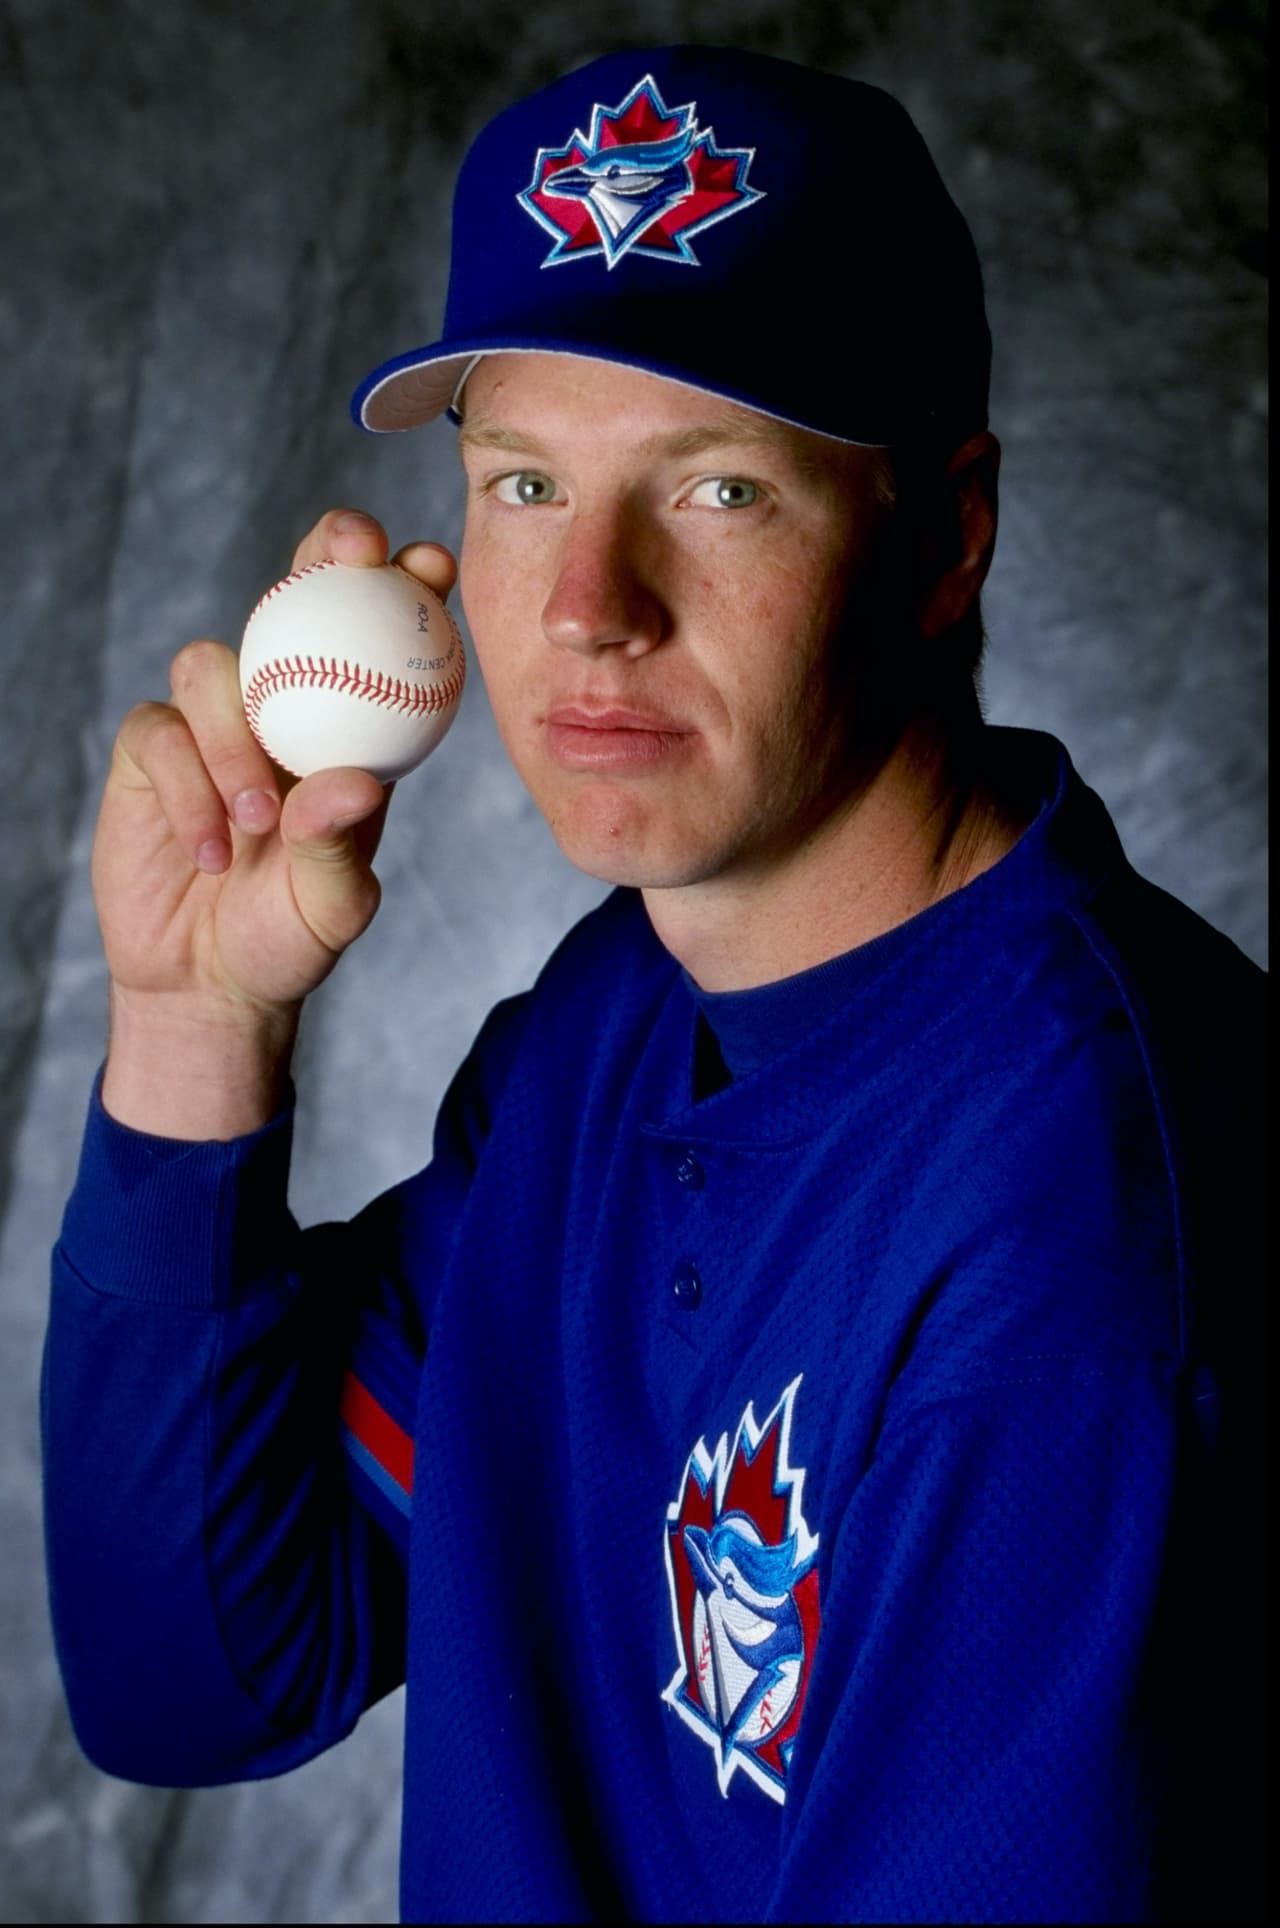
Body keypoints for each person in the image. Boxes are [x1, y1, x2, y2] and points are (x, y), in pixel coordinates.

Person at [43, 44, 1265, 1925]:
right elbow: (198, 1674)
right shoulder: (605, 1035)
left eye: (717, 490)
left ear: (945, 538)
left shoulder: (1075, 1232)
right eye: (527, 479)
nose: (587, 601)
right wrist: (195, 1032)